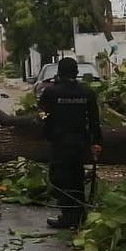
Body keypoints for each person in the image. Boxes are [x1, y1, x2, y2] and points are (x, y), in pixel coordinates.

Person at [40, 57, 103, 229]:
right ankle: (79, 213)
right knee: (76, 177)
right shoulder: (87, 92)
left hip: (60, 142)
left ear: (59, 72)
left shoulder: (51, 92)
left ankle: (69, 216)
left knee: (60, 178)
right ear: (76, 72)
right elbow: (94, 120)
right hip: (80, 142)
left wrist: (46, 133)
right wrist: (96, 142)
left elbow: (43, 114)